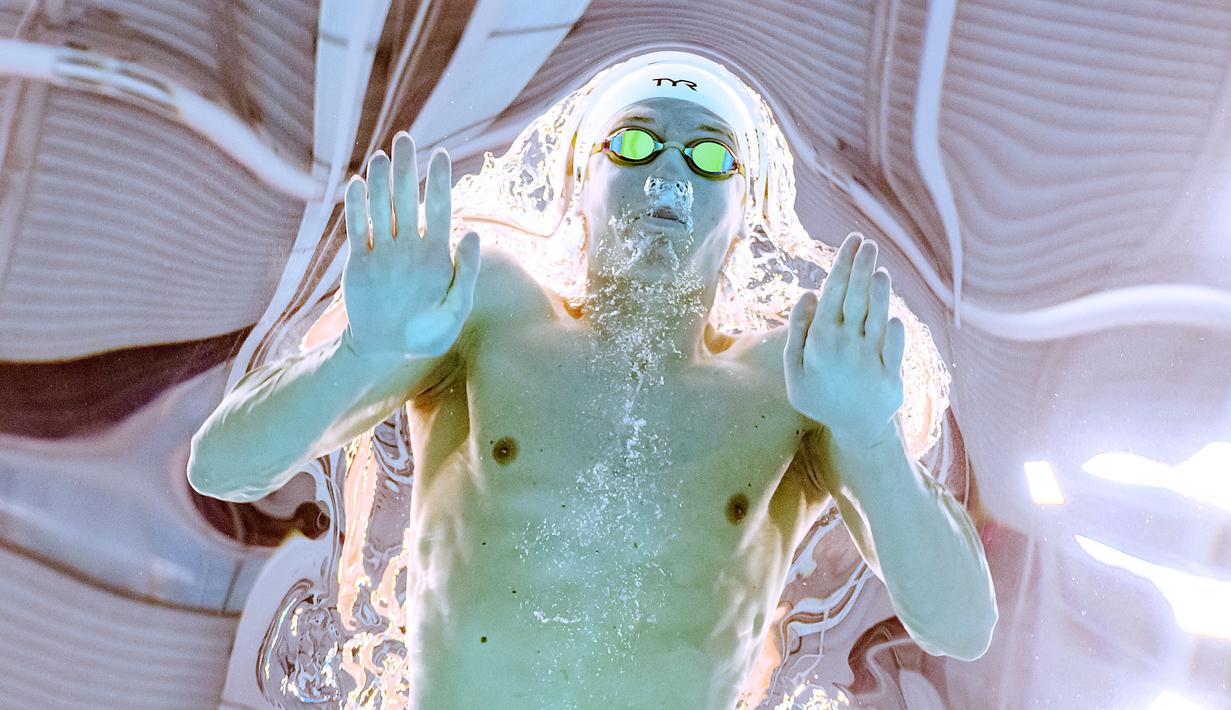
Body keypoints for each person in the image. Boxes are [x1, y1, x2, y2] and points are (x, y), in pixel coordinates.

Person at [188, 52, 996, 709]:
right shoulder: (488, 312)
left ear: (744, 208)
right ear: (581, 173)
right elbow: (222, 468)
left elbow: (960, 626)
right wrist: (361, 354)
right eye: (637, 143)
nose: (669, 175)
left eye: (709, 155)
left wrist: (868, 439)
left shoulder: (793, 385)